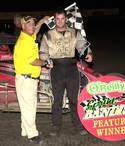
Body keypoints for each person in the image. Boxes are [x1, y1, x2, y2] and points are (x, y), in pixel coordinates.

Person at [40, 8, 93, 136]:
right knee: (57, 100)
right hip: (56, 69)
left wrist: (89, 53)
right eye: (57, 19)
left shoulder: (74, 32)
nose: (60, 21)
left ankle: (78, 125)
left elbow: (83, 45)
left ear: (66, 19)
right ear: (55, 19)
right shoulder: (48, 35)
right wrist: (46, 60)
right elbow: (42, 52)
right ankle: (56, 126)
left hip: (71, 68)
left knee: (74, 99)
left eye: (62, 18)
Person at [13, 15, 50, 145]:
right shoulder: (24, 42)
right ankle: (33, 135)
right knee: (29, 108)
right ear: (23, 26)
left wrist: (42, 21)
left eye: (33, 23)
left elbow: (35, 30)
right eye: (29, 24)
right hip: (26, 80)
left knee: (27, 107)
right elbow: (34, 61)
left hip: (28, 80)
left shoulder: (28, 37)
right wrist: (46, 62)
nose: (32, 26)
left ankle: (25, 130)